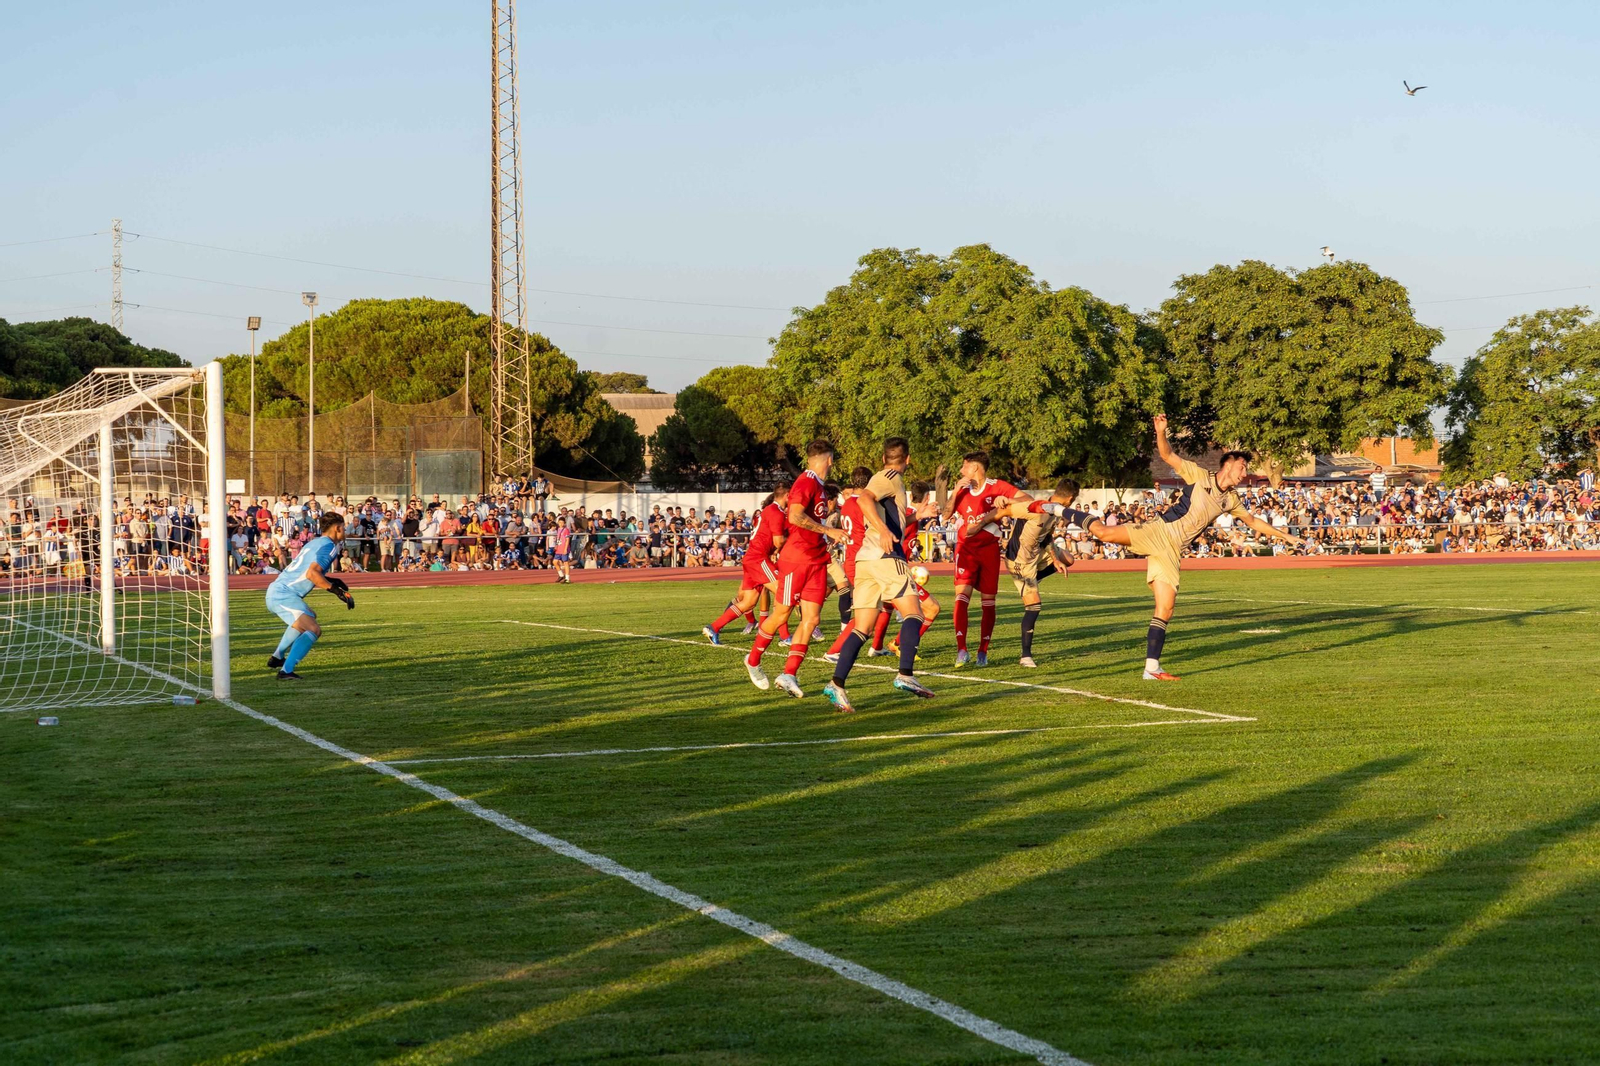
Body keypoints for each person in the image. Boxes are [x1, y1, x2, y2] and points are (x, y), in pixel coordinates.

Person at [1055, 415, 1304, 679]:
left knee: (1166, 608)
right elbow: (1167, 455)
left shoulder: (1230, 499)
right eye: (1242, 467)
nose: (1245, 473)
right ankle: (1059, 509)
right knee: (1103, 533)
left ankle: (1152, 669)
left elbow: (1253, 521)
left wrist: (1286, 537)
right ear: (1228, 465)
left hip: (1172, 550)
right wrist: (1161, 432)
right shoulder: (1199, 475)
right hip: (1157, 531)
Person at [822, 438, 935, 710]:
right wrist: (884, 532)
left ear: (884, 458)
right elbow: (864, 499)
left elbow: (887, 518)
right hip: (885, 557)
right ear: (908, 459)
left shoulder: (888, 479)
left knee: (862, 627)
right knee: (914, 614)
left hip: (865, 561)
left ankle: (835, 684)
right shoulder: (890, 476)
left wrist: (915, 516)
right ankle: (906, 675)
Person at [744, 439, 846, 697]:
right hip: (796, 560)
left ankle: (789, 674)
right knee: (782, 614)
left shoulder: (820, 487)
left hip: (817, 560)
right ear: (829, 460)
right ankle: (753, 660)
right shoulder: (806, 481)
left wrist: (825, 537)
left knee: (811, 619)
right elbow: (795, 516)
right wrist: (828, 530)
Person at [943, 452, 1032, 667]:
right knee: (961, 596)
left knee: (988, 602)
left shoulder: (997, 486)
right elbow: (946, 515)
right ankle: (961, 649)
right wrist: (954, 492)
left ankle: (983, 651)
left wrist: (1008, 500)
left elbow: (1028, 500)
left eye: (964, 466)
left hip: (989, 550)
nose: (961, 471)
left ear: (975, 468)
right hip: (965, 550)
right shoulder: (962, 490)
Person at [996, 478, 1080, 667]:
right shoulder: (1038, 506)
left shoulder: (1055, 510)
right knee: (1034, 605)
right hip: (1020, 560)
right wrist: (982, 523)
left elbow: (1047, 536)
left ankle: (1035, 578)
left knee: (1069, 559)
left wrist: (1055, 559)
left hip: (1037, 552)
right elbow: (1008, 509)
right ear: (1071, 498)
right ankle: (1026, 657)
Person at [263, 512, 355, 681]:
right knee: (313, 629)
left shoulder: (316, 542)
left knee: (309, 617)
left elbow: (309, 571)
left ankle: (277, 657)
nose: (346, 530)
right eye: (344, 527)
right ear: (338, 528)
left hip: (278, 591)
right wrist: (338, 592)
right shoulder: (330, 546)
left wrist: (333, 580)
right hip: (283, 594)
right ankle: (286, 671)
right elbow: (312, 574)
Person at [703, 483, 789, 644]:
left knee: (748, 601)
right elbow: (778, 541)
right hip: (759, 558)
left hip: (752, 557)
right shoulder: (776, 512)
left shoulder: (769, 511)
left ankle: (714, 627)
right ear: (787, 496)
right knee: (782, 591)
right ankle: (784, 636)